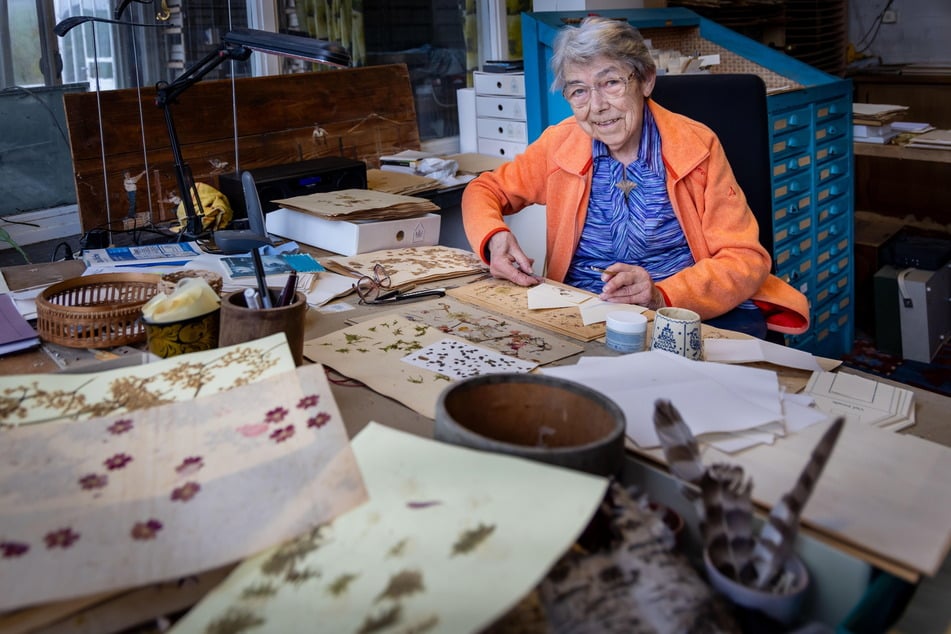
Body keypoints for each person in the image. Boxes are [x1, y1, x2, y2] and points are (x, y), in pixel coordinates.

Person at [461, 17, 809, 338]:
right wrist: (495, 237)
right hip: (584, 312)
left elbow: (745, 259)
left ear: (645, 80)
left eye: (610, 82)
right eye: (579, 90)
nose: (596, 105)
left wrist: (662, 294)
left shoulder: (697, 147)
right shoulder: (560, 145)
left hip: (684, 311)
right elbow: (484, 189)